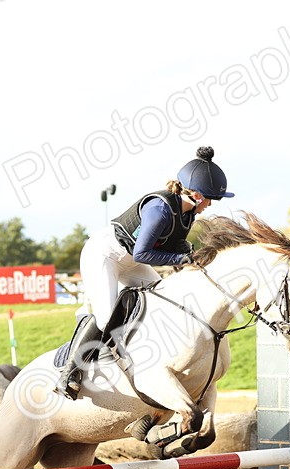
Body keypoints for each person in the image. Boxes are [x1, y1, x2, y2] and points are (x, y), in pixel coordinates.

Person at [56, 146, 234, 398]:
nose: (210, 204)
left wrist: (190, 256)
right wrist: (181, 258)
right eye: (210, 199)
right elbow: (143, 253)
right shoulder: (160, 209)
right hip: (105, 255)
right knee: (106, 316)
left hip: (131, 259)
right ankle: (69, 372)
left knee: (162, 295)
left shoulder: (188, 213)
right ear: (195, 194)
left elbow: (173, 244)